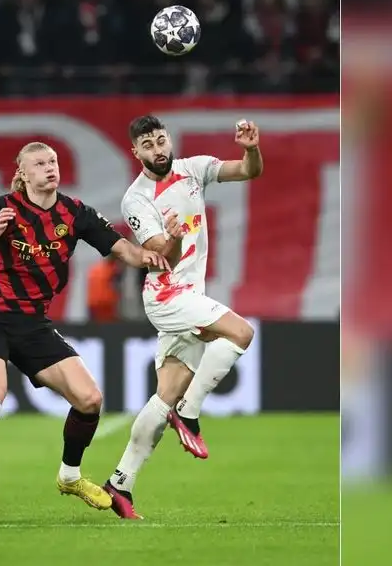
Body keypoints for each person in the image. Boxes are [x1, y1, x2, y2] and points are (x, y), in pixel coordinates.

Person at [0, 141, 170, 523]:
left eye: (52, 161)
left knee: (89, 399)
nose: (49, 168)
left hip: (34, 323)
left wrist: (150, 255)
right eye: (39, 163)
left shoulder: (75, 212)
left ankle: (69, 476)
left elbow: (122, 249)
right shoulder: (4, 207)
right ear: (23, 173)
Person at [105, 114, 263, 519]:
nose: (158, 149)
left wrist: (250, 148)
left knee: (163, 396)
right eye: (148, 145)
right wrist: (173, 236)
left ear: (169, 139)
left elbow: (248, 171)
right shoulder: (136, 198)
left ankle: (120, 484)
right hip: (166, 295)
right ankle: (190, 413)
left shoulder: (194, 169)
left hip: (192, 294)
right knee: (241, 333)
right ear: (135, 152)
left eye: (161, 140)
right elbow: (160, 255)